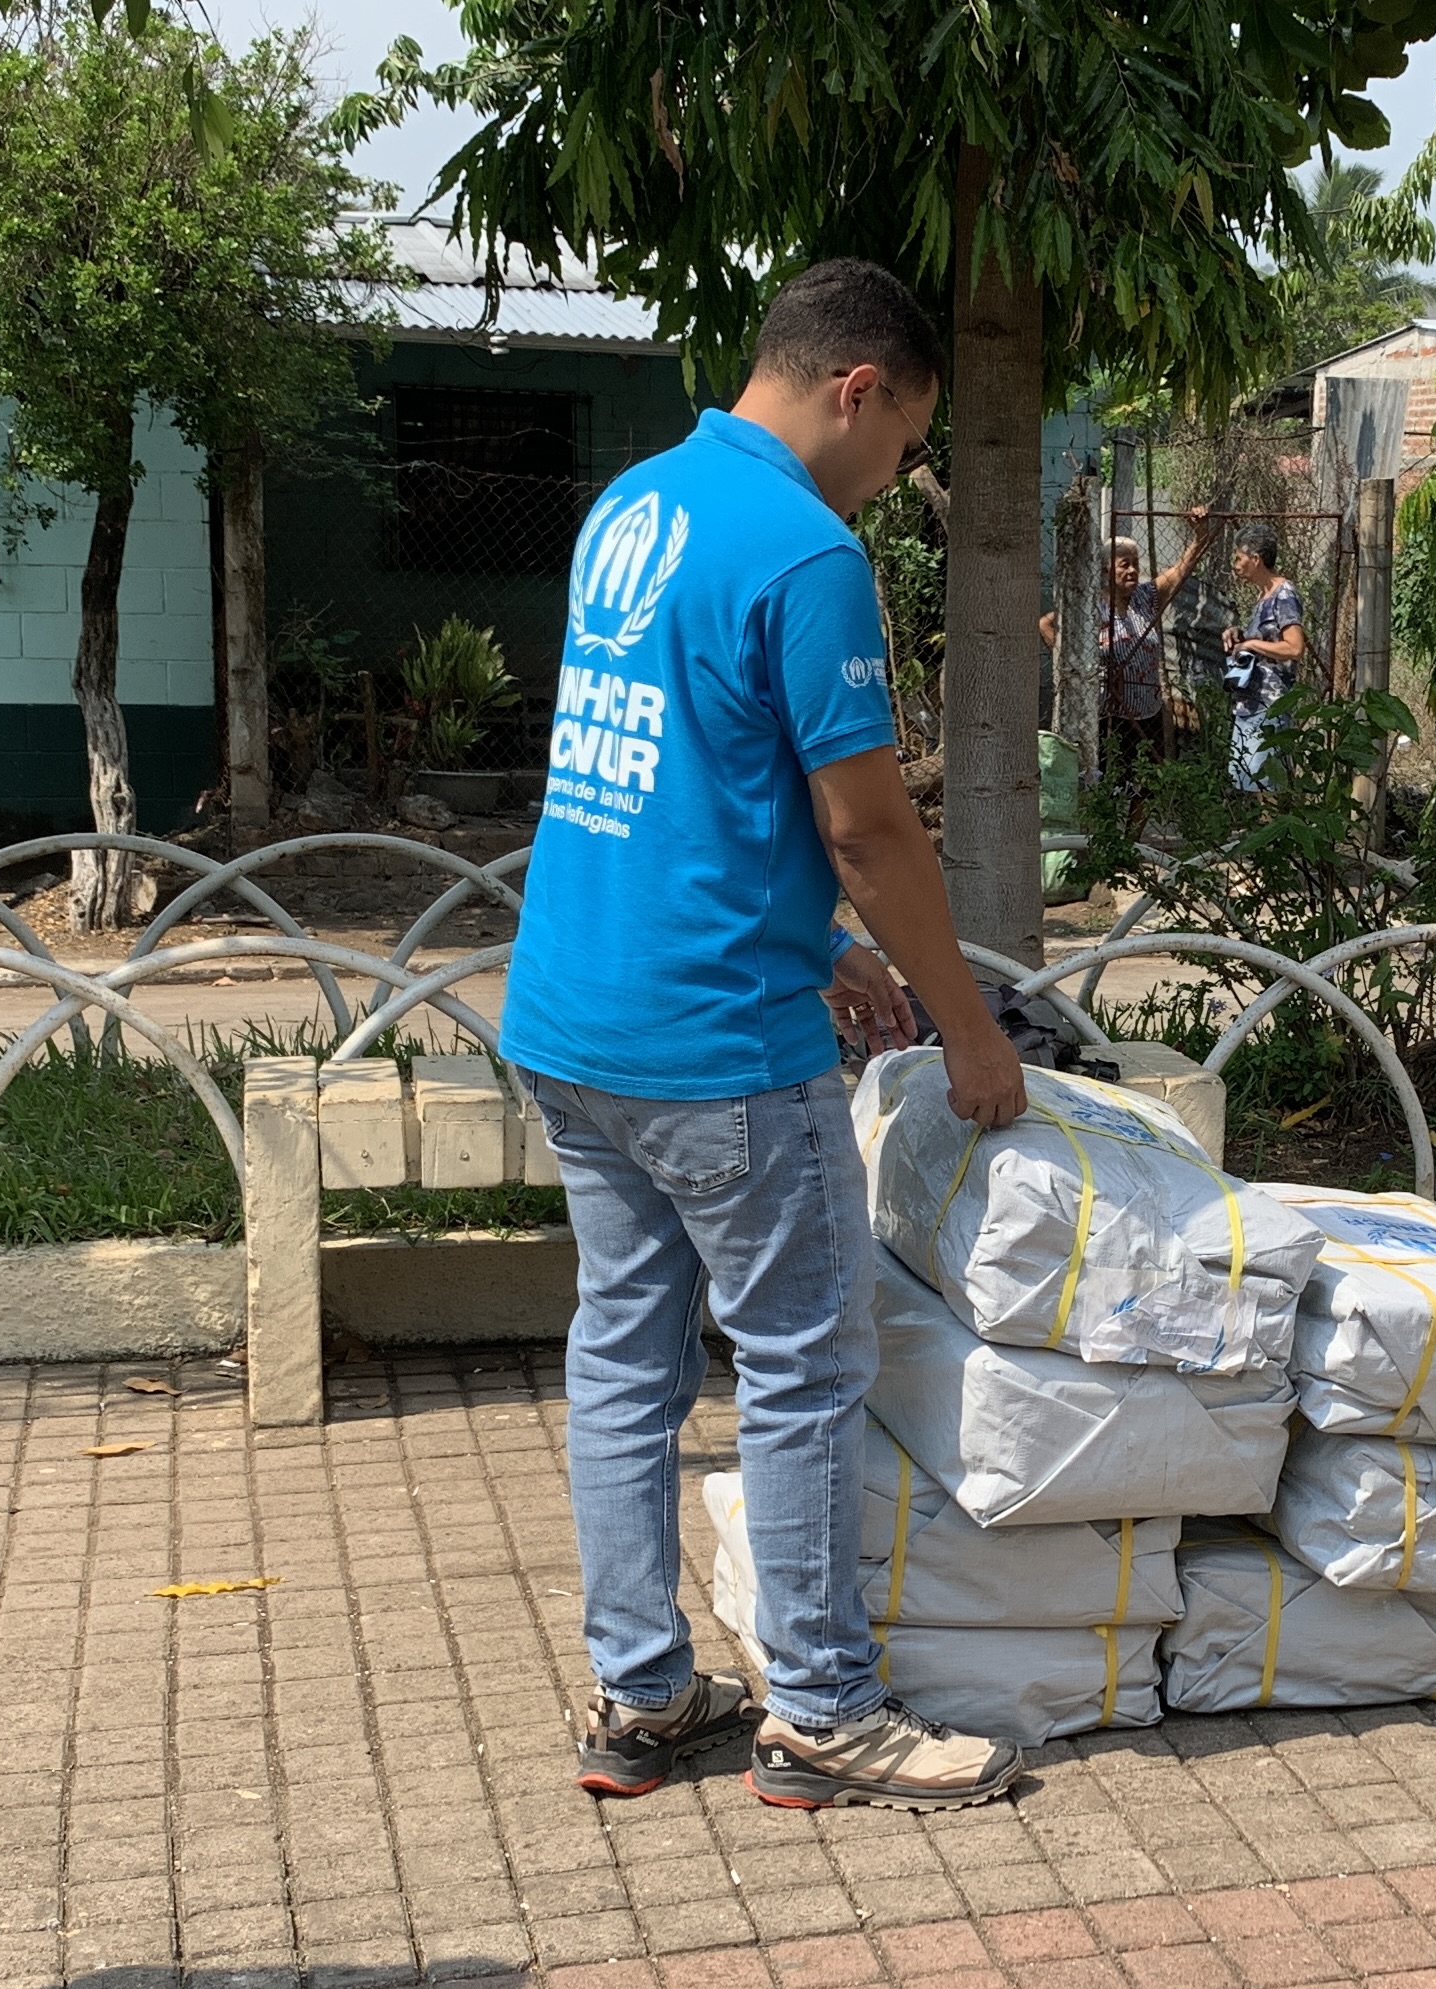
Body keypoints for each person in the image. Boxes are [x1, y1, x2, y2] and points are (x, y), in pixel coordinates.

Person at [500, 257, 1034, 1814]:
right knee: (804, 1365)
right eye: (906, 442)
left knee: (625, 1360)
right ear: (858, 390)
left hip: (574, 1018)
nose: (896, 477)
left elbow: (685, 782)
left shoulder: (634, 505)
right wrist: (969, 1031)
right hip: (718, 1053)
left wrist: (820, 948)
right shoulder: (806, 552)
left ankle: (640, 1694)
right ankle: (822, 1710)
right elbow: (865, 826)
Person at [1040, 504, 1213, 833]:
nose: (1133, 570)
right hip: (1108, 714)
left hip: (1147, 712)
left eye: (1136, 564)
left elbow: (1183, 569)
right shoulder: (1092, 607)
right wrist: (1073, 663)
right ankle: (1103, 841)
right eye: (1125, 565)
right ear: (1107, 570)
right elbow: (1046, 624)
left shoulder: (1146, 598)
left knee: (1146, 784)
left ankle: (1131, 843)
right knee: (1105, 783)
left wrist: (1200, 535)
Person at [1221, 529, 1308, 790]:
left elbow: (1294, 647)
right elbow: (1267, 640)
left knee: (1265, 783)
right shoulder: (1264, 596)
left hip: (1270, 705)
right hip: (1251, 701)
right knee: (1247, 780)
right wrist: (1240, 635)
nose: (1236, 565)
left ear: (1256, 559)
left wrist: (1250, 644)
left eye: (1239, 558)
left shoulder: (1284, 594)